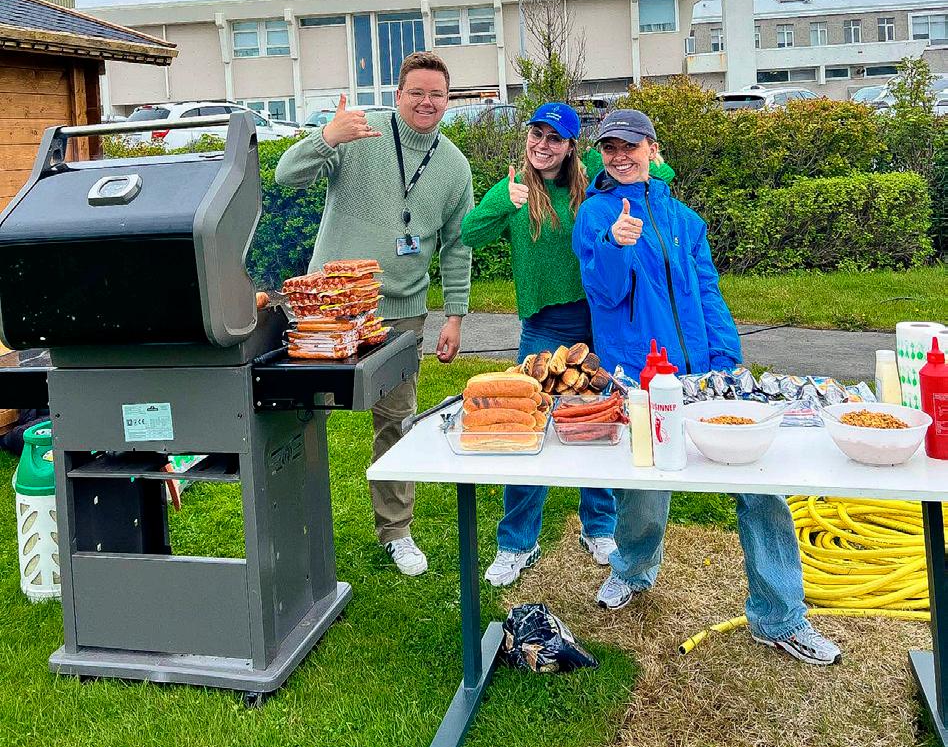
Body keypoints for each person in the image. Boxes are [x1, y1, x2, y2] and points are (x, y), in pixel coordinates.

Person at [572, 108, 841, 666]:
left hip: (705, 376)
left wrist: (727, 362)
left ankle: (780, 615)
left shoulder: (685, 220)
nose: (620, 157)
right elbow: (603, 292)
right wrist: (616, 244)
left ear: (652, 149)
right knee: (642, 487)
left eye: (630, 146)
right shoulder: (595, 213)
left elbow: (709, 293)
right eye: (610, 148)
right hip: (640, 377)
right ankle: (633, 568)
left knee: (759, 484)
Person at [275, 52, 473, 577]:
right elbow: (286, 175)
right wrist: (327, 137)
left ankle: (396, 531)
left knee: (397, 420)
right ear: (398, 95)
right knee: (297, 415)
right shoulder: (358, 135)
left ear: (448, 101)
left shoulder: (454, 166)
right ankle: (289, 526)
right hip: (330, 310)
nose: (426, 102)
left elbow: (457, 246)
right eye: (416, 92)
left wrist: (455, 314)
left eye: (436, 94)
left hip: (401, 314)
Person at [461, 102, 617, 586]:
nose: (542, 145)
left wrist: (653, 158)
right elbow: (470, 234)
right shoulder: (514, 189)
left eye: (554, 138)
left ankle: (600, 529)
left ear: (571, 146)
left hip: (596, 324)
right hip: (542, 329)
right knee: (526, 432)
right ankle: (517, 544)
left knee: (597, 425)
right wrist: (501, 202)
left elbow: (657, 175)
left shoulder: (591, 180)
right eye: (536, 134)